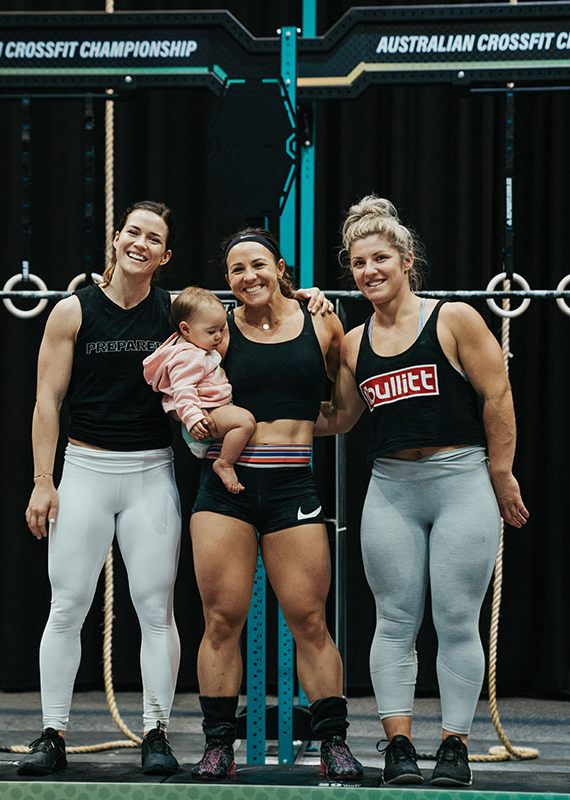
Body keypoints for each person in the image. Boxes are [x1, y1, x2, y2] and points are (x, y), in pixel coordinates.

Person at [314, 195, 529, 787]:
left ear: (407, 260)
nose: (369, 271)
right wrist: (254, 417)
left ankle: (454, 747)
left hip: (460, 483)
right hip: (391, 490)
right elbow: (340, 418)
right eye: (358, 264)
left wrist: (501, 473)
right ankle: (400, 747)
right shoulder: (354, 344)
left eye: (380, 258)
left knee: (457, 619)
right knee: (395, 620)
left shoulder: (454, 318)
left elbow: (498, 396)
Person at [189, 228, 363, 782]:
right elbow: (182, 390)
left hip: (292, 489)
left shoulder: (320, 321)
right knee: (221, 620)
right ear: (227, 282)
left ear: (280, 267)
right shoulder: (215, 334)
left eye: (258, 265)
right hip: (226, 492)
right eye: (237, 270)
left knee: (309, 619)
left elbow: (344, 404)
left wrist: (304, 430)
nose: (249, 277)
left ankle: (333, 741)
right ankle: (218, 746)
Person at [20, 200, 182, 777]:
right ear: (116, 240)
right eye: (132, 232)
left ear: (165, 255)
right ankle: (51, 733)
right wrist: (44, 483)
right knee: (66, 607)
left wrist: (310, 302)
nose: (140, 243)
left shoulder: (175, 312)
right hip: (84, 470)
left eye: (153, 237)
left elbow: (258, 314)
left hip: (150, 475)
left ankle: (156, 732)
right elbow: (47, 401)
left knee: (155, 609)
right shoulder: (72, 312)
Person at [143, 286, 256, 494]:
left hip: (211, 409)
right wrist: (193, 418)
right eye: (211, 331)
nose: (219, 337)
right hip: (203, 416)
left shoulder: (197, 348)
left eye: (221, 329)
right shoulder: (188, 356)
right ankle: (224, 463)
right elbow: (183, 391)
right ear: (186, 329)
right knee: (245, 422)